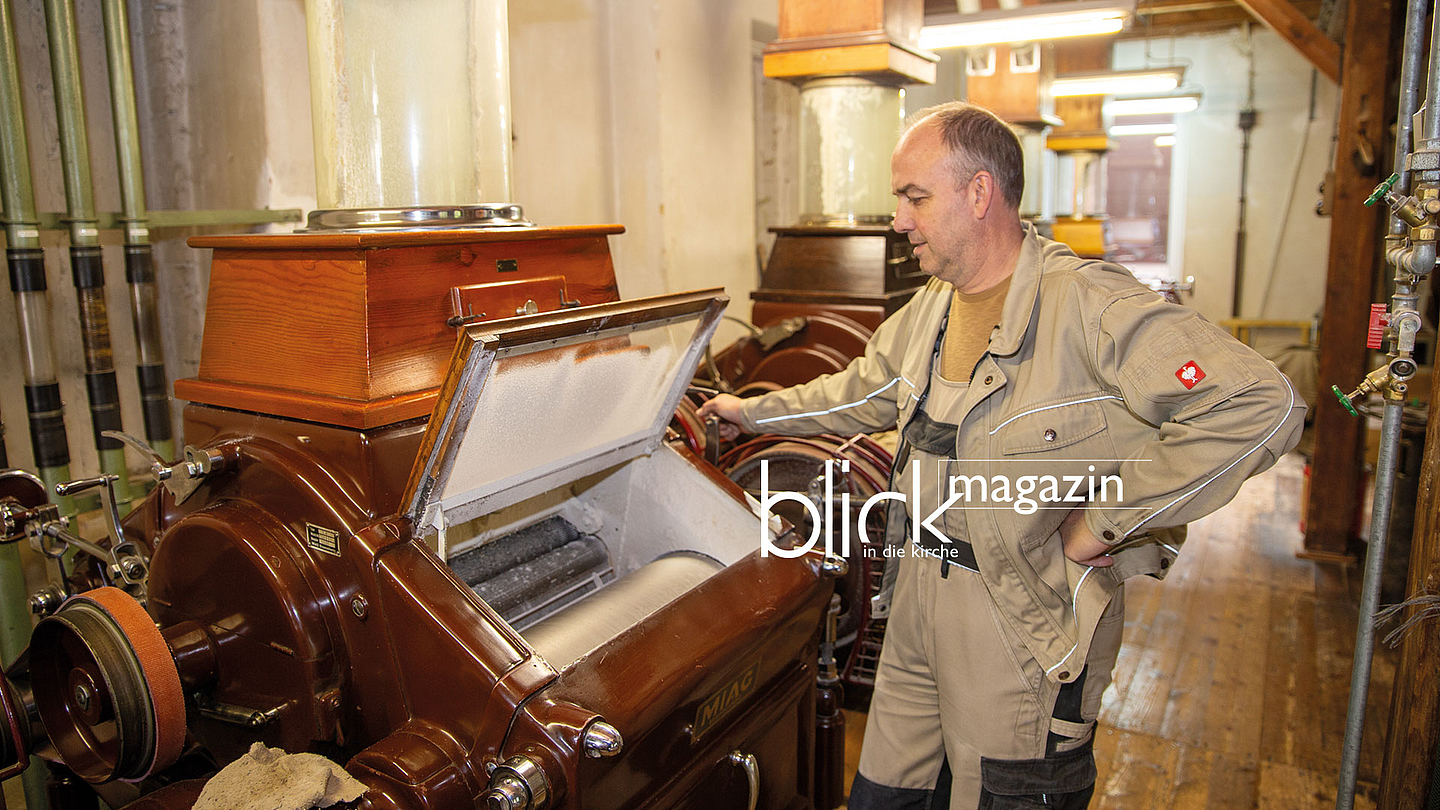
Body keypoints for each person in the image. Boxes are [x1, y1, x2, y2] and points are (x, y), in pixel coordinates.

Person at [699, 102, 1305, 809]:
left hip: (1018, 618)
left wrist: (1105, 523)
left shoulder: (1088, 305)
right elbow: (865, 389)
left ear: (979, 192)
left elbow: (1260, 405)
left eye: (915, 197)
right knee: (885, 795)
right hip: (916, 596)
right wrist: (749, 411)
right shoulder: (934, 305)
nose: (898, 220)